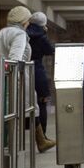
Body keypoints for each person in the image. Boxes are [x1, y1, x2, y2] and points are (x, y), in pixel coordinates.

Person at [0, 6, 40, 157]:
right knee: (23, 109)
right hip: (15, 78)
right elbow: (15, 58)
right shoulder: (20, 34)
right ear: (25, 21)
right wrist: (14, 77)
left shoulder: (2, 33)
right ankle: (10, 146)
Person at [26, 12, 56, 152]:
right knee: (42, 102)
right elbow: (50, 50)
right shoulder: (41, 36)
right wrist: (45, 33)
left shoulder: (24, 33)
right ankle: (42, 137)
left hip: (24, 71)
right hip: (37, 70)